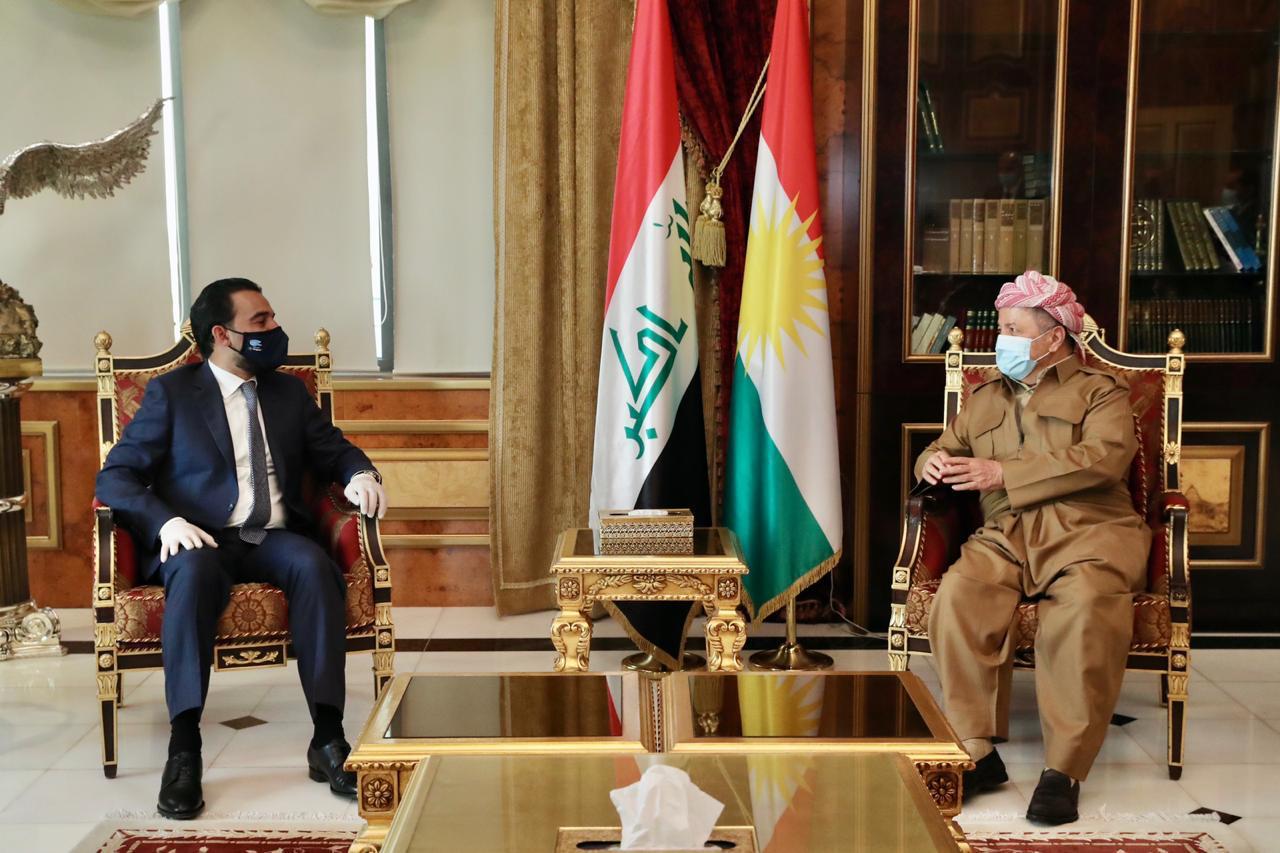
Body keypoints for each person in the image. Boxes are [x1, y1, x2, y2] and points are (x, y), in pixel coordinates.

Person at [95, 278, 388, 820]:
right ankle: (185, 749)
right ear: (221, 334)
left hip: (274, 535)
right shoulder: (173, 394)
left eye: (272, 318)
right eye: (260, 321)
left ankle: (327, 740)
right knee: (192, 576)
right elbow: (115, 477)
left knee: (315, 568)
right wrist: (166, 522)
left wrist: (359, 474)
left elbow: (334, 449)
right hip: (201, 537)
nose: (274, 329)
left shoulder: (287, 393)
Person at [915, 271, 1149, 826]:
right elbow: (943, 447)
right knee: (958, 597)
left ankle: (1063, 770)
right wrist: (931, 462)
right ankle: (976, 752)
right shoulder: (985, 397)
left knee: (1085, 610)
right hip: (1008, 533)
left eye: (1013, 329)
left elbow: (1104, 459)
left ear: (1053, 337)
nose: (1001, 340)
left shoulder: (1101, 392)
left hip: (1090, 530)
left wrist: (1004, 473)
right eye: (1002, 328)